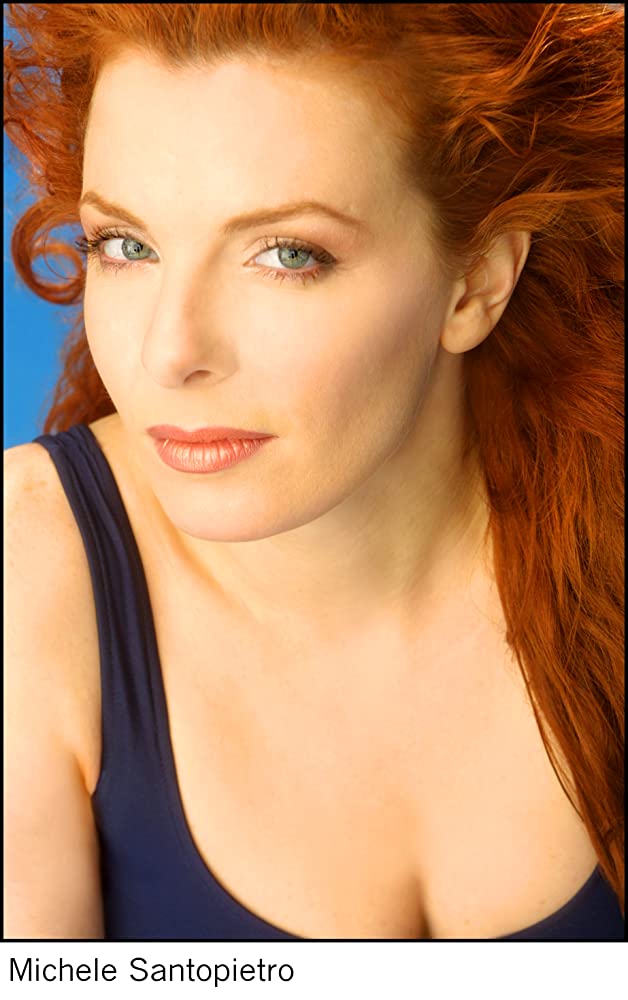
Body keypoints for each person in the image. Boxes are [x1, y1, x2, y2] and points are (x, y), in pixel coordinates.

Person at [3, 3, 624, 941]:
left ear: (477, 283)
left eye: (287, 255)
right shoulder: (27, 574)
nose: (170, 353)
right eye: (126, 246)